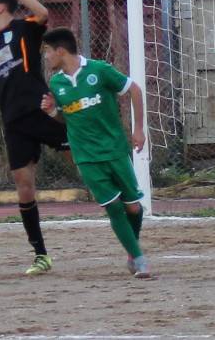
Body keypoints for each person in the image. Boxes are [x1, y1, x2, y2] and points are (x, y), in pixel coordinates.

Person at [0, 0, 69, 275]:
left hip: (39, 112)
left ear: (1, 7)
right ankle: (41, 254)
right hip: (13, 121)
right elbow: (6, 77)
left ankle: (119, 194)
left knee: (82, 158)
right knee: (24, 187)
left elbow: (44, 13)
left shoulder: (24, 29)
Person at [38, 27, 150, 278]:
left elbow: (134, 90)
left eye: (47, 52)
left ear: (60, 51)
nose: (46, 58)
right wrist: (53, 112)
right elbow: (69, 119)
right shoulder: (56, 83)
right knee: (113, 207)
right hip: (86, 156)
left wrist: (139, 129)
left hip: (115, 150)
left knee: (133, 208)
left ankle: (132, 251)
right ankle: (140, 260)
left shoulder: (99, 70)